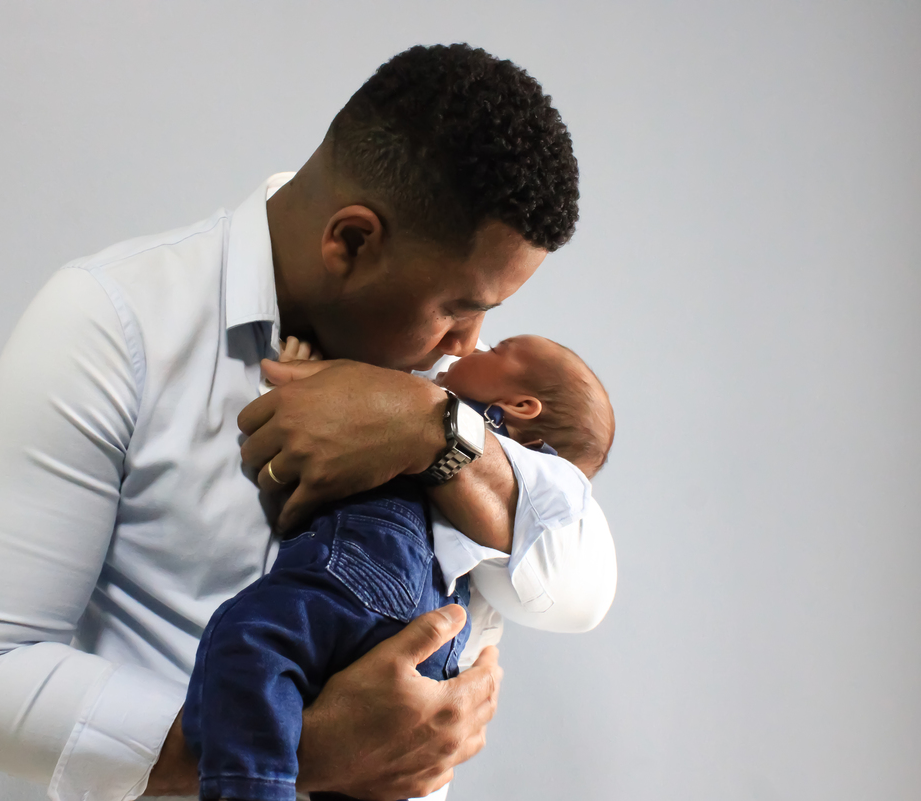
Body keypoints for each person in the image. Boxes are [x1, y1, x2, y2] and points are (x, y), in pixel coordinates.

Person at [0, 43, 617, 801]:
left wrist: (434, 430)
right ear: (352, 242)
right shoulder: (114, 324)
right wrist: (303, 751)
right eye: (459, 309)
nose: (467, 343)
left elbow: (580, 591)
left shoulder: (447, 389)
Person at [183, 335, 615, 801]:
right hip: (431, 630)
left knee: (255, 643)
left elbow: (577, 578)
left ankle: (252, 788)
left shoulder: (544, 475)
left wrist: (301, 384)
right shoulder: (490, 459)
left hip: (373, 571)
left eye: (495, 352)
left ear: (521, 406)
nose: (471, 346)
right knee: (385, 760)